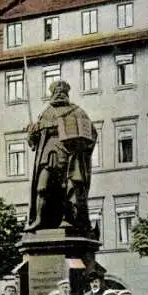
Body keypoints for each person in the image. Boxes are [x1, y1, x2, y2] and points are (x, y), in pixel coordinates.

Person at [26, 80, 97, 234]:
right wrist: (31, 134)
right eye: (56, 91)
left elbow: (91, 134)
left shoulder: (77, 111)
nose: (59, 93)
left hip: (70, 155)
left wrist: (80, 144)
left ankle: (69, 219)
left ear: (66, 93)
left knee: (69, 188)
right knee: (42, 187)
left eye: (62, 91)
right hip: (48, 154)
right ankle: (39, 220)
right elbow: (34, 142)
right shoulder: (45, 112)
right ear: (52, 94)